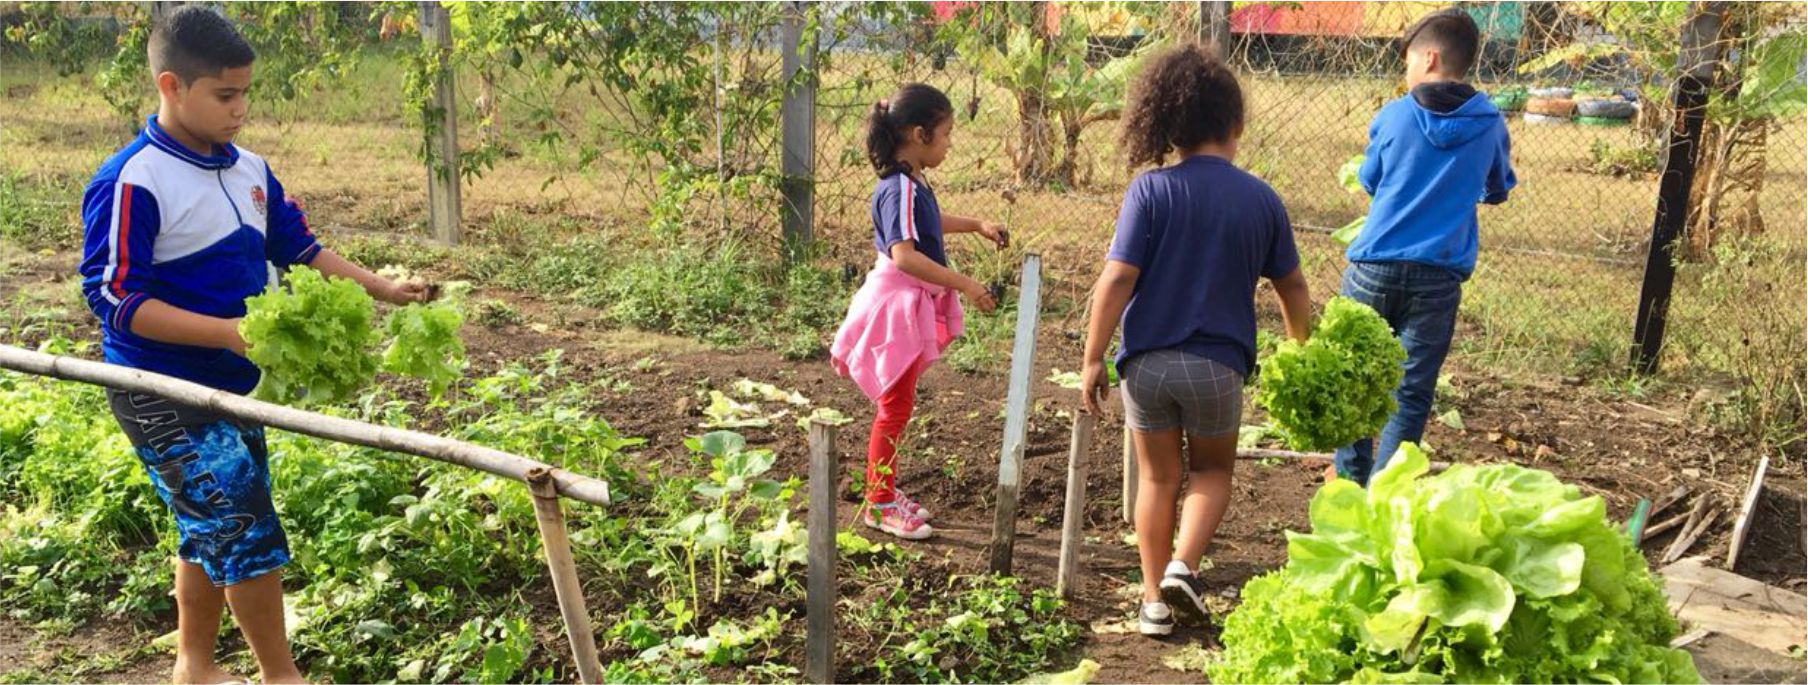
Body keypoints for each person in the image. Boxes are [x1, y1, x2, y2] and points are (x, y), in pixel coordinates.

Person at [77, 7, 432, 683]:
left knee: (210, 525)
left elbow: (301, 248)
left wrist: (384, 288)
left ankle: (194, 666)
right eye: (224, 95)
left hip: (232, 384)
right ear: (172, 86)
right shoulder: (132, 180)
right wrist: (229, 334)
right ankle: (281, 676)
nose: (240, 109)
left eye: (246, 93)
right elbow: (115, 299)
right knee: (244, 525)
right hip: (160, 389)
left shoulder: (251, 170)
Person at [1080, 43, 1314, 637]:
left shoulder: (1150, 191)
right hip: (1217, 368)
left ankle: (1152, 602)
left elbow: (1117, 279)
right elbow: (1292, 286)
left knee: (1158, 478)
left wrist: (1093, 357)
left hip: (1147, 367)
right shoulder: (1261, 199)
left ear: (1167, 124)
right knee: (1211, 471)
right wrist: (1301, 350)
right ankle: (1184, 566)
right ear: (1236, 126)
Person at [1332, 9, 1517, 486]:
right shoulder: (1491, 123)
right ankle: (1387, 495)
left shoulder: (1394, 114)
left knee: (1353, 379)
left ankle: (1348, 487)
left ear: (1430, 58)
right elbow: (1498, 188)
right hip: (1438, 278)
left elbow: (1370, 179)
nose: (1407, 71)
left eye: (1409, 61)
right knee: (1410, 392)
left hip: (1373, 268)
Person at [830, 83, 1007, 541]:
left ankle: (884, 490)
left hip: (906, 300)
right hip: (895, 306)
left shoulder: (911, 184)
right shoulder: (898, 189)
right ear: (919, 134)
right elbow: (904, 254)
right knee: (894, 407)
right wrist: (966, 284)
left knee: (899, 403)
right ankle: (879, 503)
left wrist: (976, 225)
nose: (949, 144)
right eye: (945, 135)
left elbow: (928, 222)